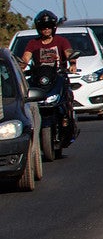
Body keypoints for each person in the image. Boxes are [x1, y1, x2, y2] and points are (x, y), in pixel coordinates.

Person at [16, 9, 78, 141]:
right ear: (39, 29)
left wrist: (72, 64)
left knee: (66, 95)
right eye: (43, 28)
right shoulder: (33, 43)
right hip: (40, 79)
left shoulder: (61, 41)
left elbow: (69, 53)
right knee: (28, 101)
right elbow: (25, 58)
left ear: (53, 28)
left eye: (49, 27)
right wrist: (20, 68)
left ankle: (68, 119)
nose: (46, 30)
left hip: (58, 76)